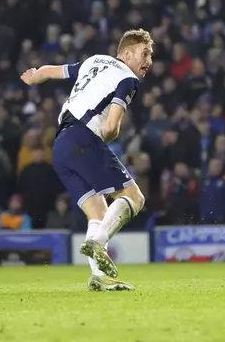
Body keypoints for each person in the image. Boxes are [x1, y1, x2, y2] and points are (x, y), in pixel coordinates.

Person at [19, 29, 153, 292]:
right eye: (144, 53)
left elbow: (49, 71)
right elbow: (112, 126)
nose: (149, 60)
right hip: (83, 138)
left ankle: (98, 277)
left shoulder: (93, 61)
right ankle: (99, 242)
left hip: (60, 147)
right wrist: (108, 137)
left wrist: (34, 77)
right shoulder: (128, 79)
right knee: (135, 198)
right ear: (127, 53)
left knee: (98, 213)